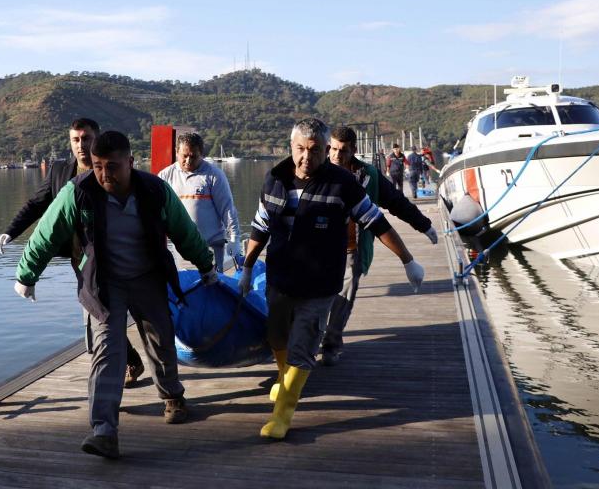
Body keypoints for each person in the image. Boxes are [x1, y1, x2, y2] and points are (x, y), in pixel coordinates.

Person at [14, 131, 217, 459]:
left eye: (112, 166)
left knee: (160, 340)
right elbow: (46, 235)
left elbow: (184, 231)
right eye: (97, 166)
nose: (104, 174)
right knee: (107, 352)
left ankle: (172, 396)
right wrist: (27, 275)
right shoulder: (77, 193)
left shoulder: (154, 190)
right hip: (105, 284)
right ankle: (104, 431)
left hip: (148, 277)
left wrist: (206, 265)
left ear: (131, 163)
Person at [238, 118, 424, 440]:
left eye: (313, 151)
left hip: (320, 283)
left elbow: (375, 221)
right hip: (280, 278)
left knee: (303, 345)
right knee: (277, 337)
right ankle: (284, 381)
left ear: (326, 150)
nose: (305, 158)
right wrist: (246, 268)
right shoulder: (275, 180)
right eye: (299, 149)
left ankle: (283, 413)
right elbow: (260, 226)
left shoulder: (343, 184)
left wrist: (408, 260)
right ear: (291, 147)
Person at [0, 118, 146, 388]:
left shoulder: (112, 170)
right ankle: (121, 366)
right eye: (76, 140)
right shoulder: (59, 171)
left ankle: (115, 373)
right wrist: (12, 231)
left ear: (97, 139)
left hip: (117, 255)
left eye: (86, 138)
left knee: (106, 312)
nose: (81, 145)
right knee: (97, 311)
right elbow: (37, 204)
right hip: (81, 258)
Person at [320, 127, 438, 366]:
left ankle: (331, 344)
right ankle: (307, 339)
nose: (336, 155)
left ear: (353, 150)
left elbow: (396, 202)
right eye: (332, 149)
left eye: (343, 151)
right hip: (318, 249)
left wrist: (424, 225)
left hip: (351, 249)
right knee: (317, 298)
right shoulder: (317, 171)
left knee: (343, 299)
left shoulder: (369, 176)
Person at [158, 132, 242, 272]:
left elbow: (227, 209)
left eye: (193, 156)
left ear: (201, 154)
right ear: (176, 152)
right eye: (185, 156)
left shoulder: (214, 175)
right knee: (188, 289)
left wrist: (235, 238)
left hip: (212, 245)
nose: (188, 161)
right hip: (184, 248)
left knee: (213, 287)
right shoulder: (165, 176)